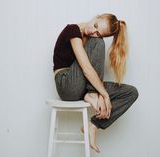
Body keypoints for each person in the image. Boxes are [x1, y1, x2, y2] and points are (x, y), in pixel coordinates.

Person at [53, 13, 139, 153]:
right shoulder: (73, 30)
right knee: (98, 43)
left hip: (82, 86)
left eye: (99, 33)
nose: (93, 31)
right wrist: (103, 94)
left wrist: (100, 93)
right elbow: (87, 69)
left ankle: (93, 125)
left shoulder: (92, 39)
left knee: (131, 93)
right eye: (95, 26)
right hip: (66, 85)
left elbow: (89, 71)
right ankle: (92, 93)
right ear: (96, 17)